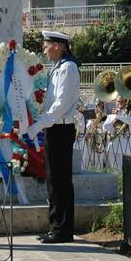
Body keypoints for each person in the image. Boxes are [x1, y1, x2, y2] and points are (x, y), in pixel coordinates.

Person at [26, 30, 80, 244]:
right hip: (53, 128)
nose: (44, 49)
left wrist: (39, 123)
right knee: (53, 180)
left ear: (58, 45)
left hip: (61, 129)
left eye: (46, 45)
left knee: (60, 180)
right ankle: (55, 225)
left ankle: (63, 229)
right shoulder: (58, 68)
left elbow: (61, 104)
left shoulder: (68, 68)